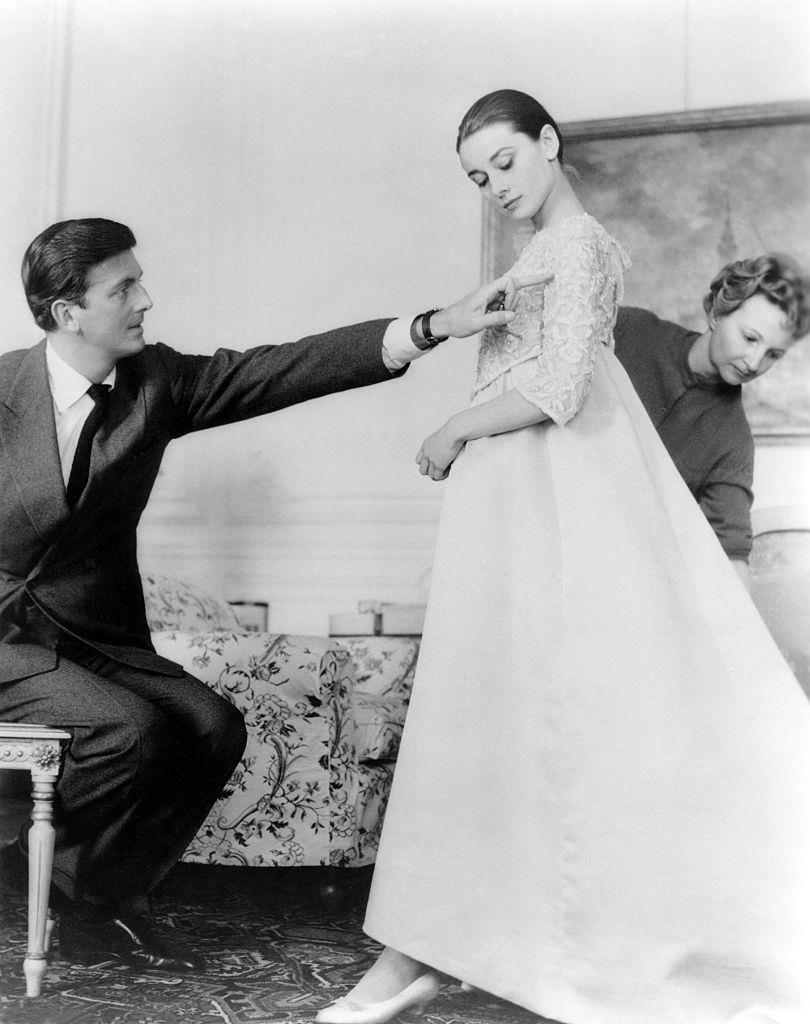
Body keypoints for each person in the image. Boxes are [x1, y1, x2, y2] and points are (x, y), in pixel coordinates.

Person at [316, 90, 810, 1024]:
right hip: (535, 522)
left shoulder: (579, 245)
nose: (495, 186)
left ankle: (471, 948)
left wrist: (454, 430)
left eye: (506, 162)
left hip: (573, 542)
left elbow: (556, 386)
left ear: (549, 143)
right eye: (477, 175)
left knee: (540, 732)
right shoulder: (562, 267)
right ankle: (442, 942)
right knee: (497, 726)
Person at [0, 217, 545, 976]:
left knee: (213, 727)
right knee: (131, 732)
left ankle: (95, 895)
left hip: (96, 636)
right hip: (6, 644)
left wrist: (430, 328)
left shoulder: (154, 382)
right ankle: (27, 865)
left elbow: (283, 368)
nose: (146, 299)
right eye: (124, 287)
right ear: (68, 312)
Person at [614, 253, 808, 588]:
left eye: (773, 354)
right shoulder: (631, 331)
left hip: (624, 574)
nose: (754, 362)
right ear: (718, 310)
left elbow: (731, 551)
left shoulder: (733, 441)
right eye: (750, 338)